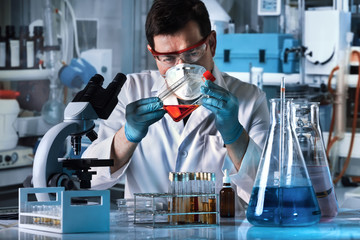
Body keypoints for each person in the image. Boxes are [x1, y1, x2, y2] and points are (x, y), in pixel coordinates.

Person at [83, 0, 270, 211]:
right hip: (145, 232)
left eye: (192, 53)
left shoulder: (251, 99)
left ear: (212, 43)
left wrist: (235, 136)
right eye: (168, 58)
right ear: (153, 53)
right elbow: (90, 181)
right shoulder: (132, 91)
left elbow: (267, 192)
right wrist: (127, 136)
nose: (182, 68)